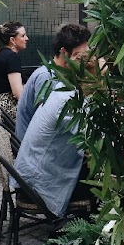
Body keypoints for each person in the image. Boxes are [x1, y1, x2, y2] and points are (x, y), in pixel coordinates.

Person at [13, 72, 90, 216]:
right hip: (38, 186)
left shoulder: (62, 89)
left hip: (28, 176)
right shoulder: (71, 102)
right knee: (98, 179)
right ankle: (83, 229)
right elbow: (92, 140)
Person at [16, 23, 91, 141]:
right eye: (79, 55)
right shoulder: (46, 77)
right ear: (64, 52)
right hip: (36, 148)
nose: (84, 60)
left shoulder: (58, 73)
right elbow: (47, 124)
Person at [0, 21, 28, 120]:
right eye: (23, 36)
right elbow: (18, 93)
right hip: (4, 108)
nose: (27, 38)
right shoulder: (12, 57)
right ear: (13, 40)